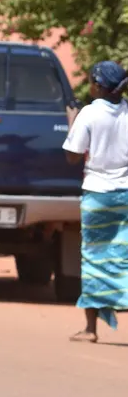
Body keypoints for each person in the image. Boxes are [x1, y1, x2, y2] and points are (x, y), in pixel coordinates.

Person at [63, 61, 128, 343]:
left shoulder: (89, 113)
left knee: (94, 257)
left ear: (99, 86)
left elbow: (72, 155)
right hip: (126, 193)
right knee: (123, 256)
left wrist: (73, 122)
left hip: (97, 195)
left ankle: (91, 329)